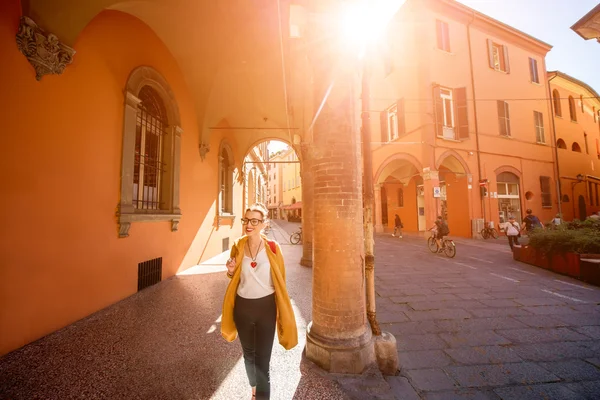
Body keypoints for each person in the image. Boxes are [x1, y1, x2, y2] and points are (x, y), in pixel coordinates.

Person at [221, 202, 298, 400]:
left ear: (264, 224)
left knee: (263, 361)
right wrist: (230, 271)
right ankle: (254, 390)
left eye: (254, 220)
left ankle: (261, 397)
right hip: (243, 307)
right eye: (246, 219)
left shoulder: (273, 247)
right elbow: (234, 275)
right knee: (248, 356)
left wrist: (282, 308)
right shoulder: (238, 245)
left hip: (266, 308)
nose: (249, 224)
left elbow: (280, 279)